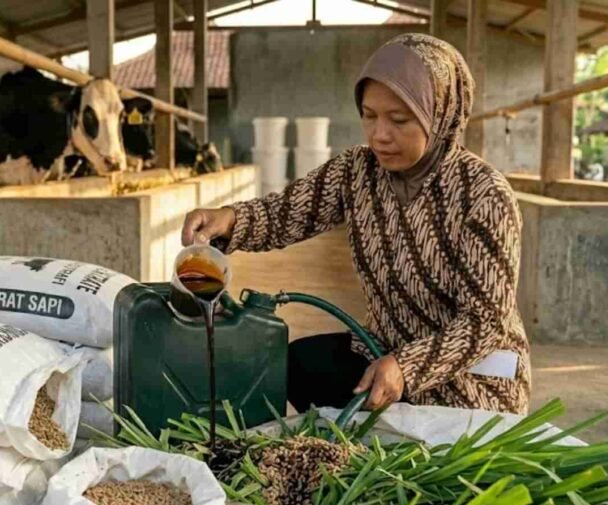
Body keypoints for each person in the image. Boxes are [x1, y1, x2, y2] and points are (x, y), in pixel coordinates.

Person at [181, 34, 530, 415]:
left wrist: (407, 366)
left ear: (441, 114)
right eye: (369, 115)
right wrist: (230, 219)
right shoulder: (358, 171)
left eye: (400, 120)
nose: (380, 134)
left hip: (470, 378)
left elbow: (485, 324)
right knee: (298, 366)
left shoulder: (483, 194)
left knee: (429, 438)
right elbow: (287, 212)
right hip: (385, 350)